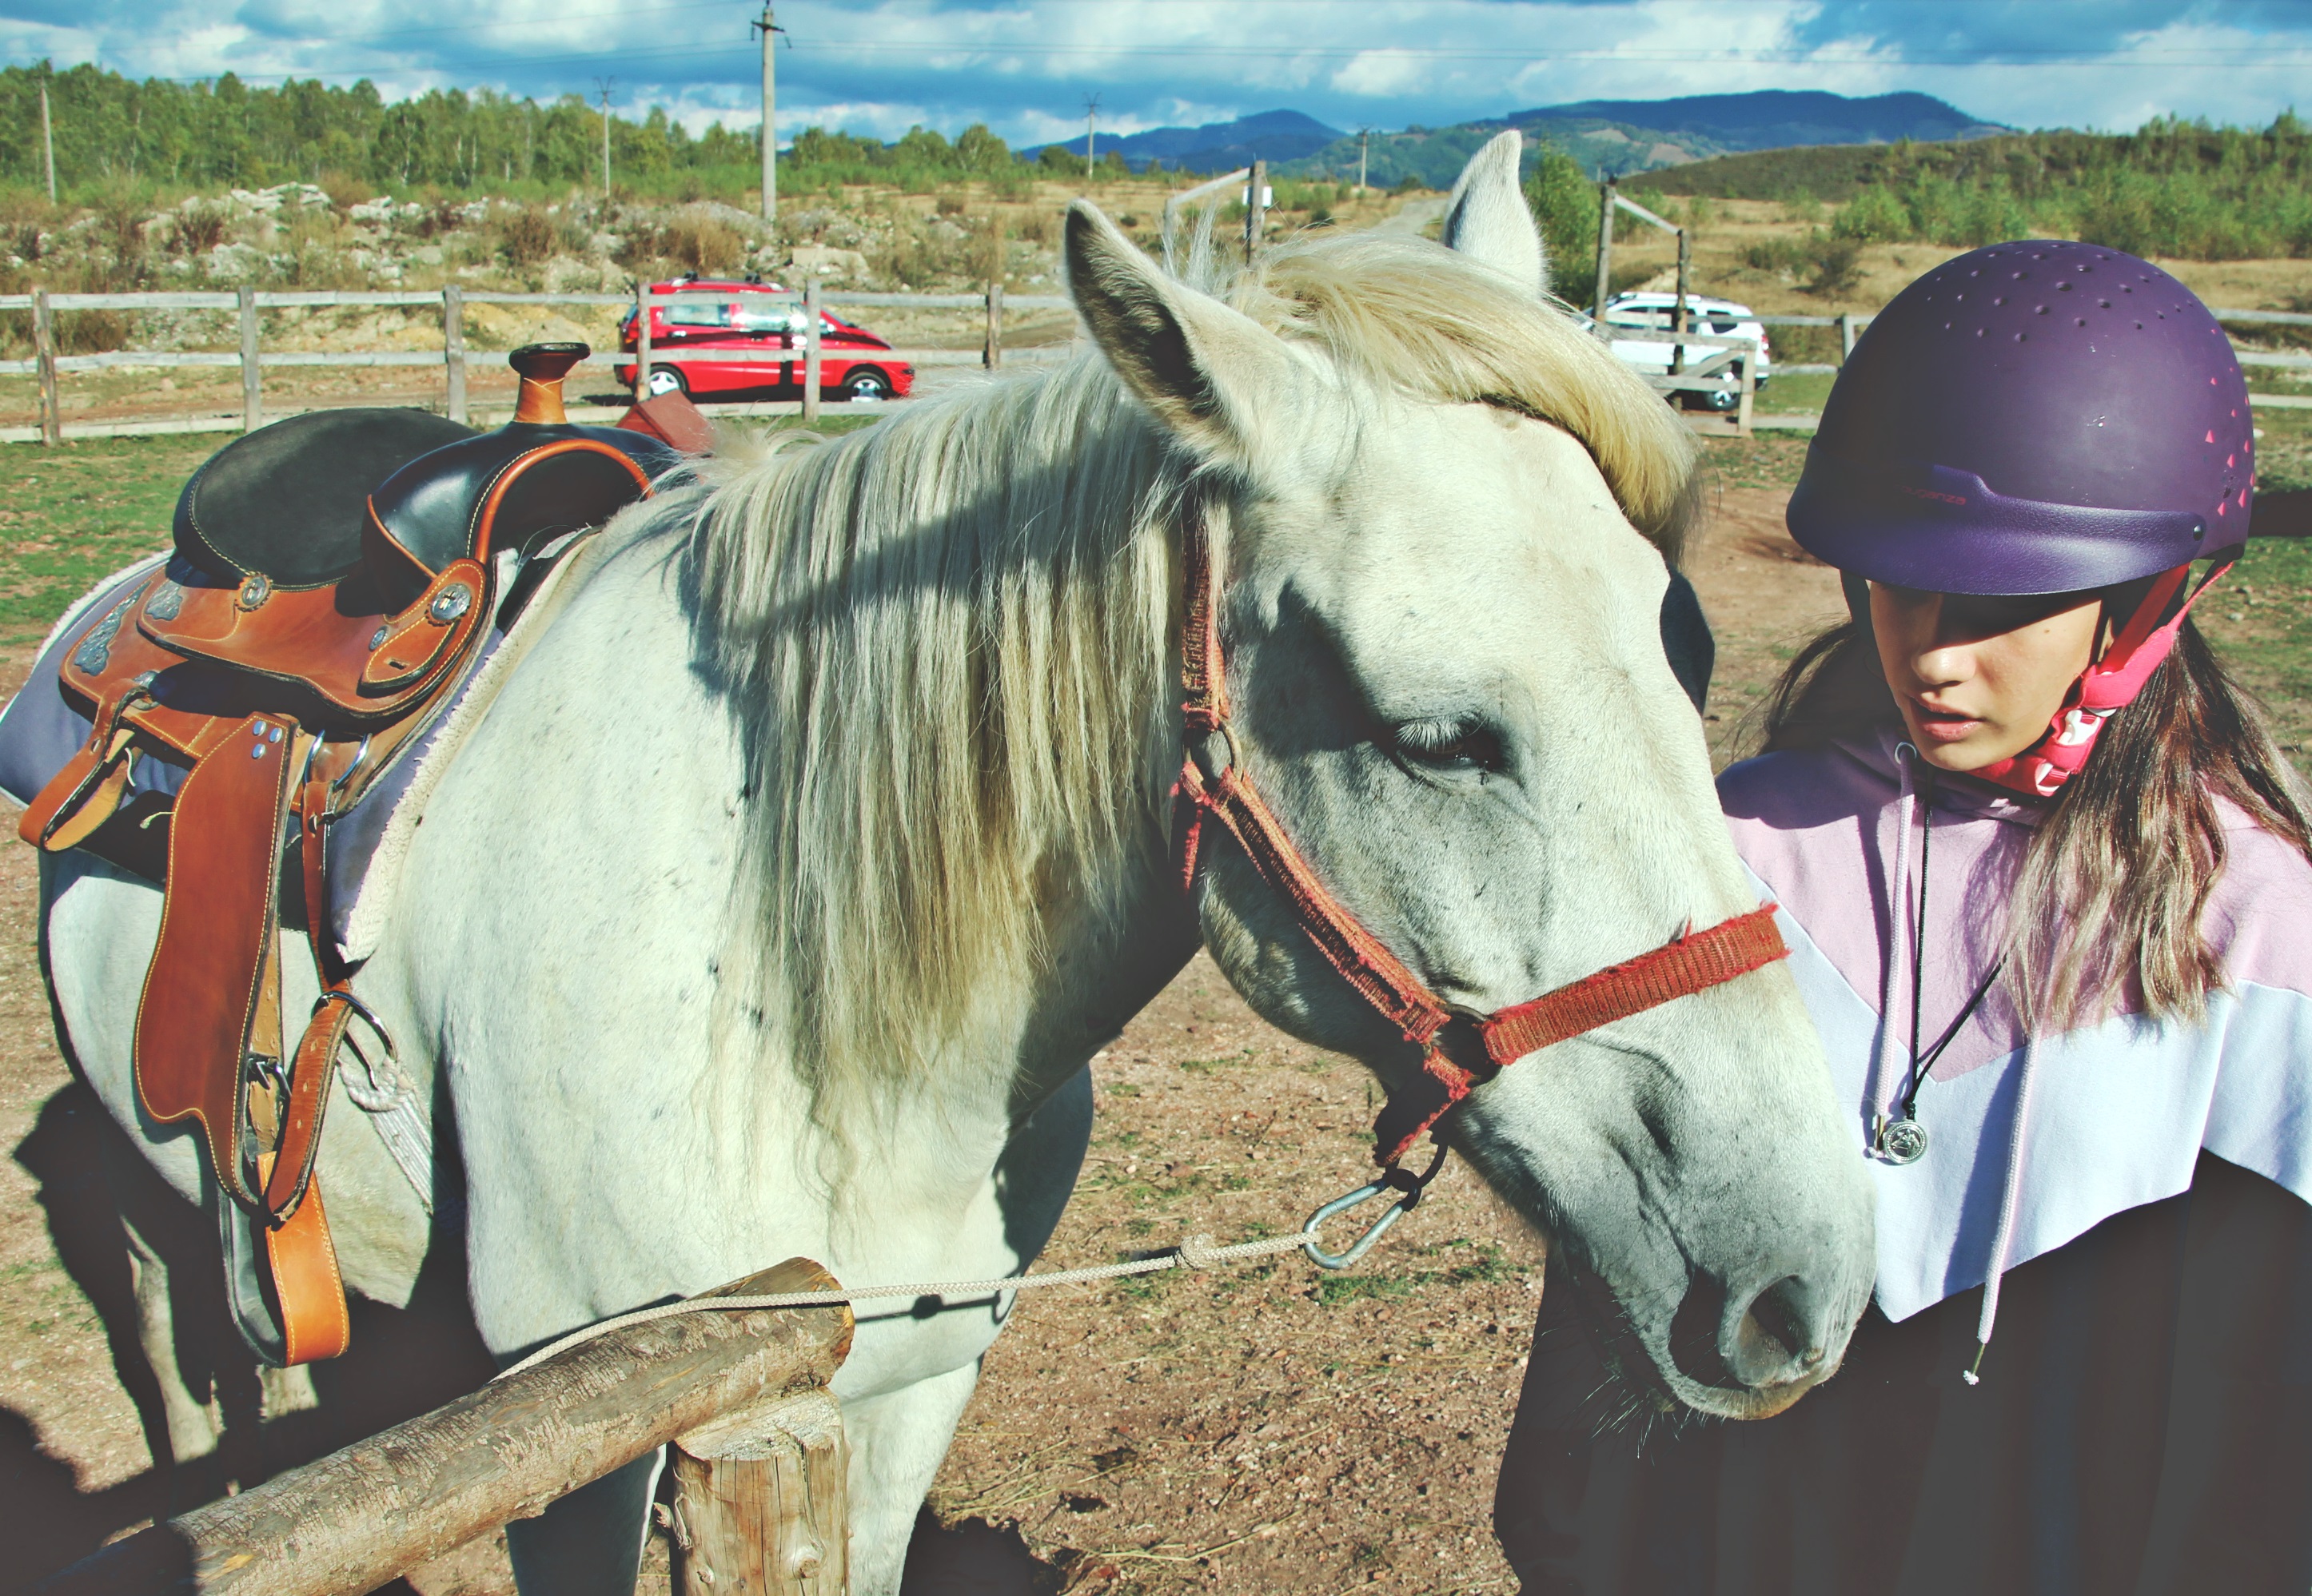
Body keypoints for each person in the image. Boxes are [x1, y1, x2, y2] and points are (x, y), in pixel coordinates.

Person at [1493, 240, 2312, 1595]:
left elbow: (2256, 1436)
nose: (1932, 649)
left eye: (2000, 599)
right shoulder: (1742, 851)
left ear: (2151, 598)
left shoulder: (2258, 948)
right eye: (1894, 578)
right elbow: (1600, 1326)